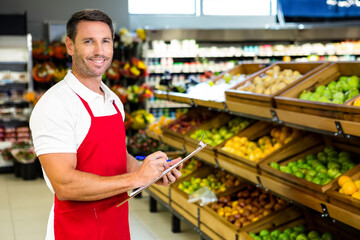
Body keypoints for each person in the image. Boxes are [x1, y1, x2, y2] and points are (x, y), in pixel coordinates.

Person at [30, 9, 183, 240]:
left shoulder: (112, 100)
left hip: (116, 224)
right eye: (89, 41)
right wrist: (135, 179)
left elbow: (117, 157)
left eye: (106, 41)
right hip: (74, 230)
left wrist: (149, 173)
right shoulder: (56, 104)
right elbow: (64, 184)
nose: (99, 51)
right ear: (70, 46)